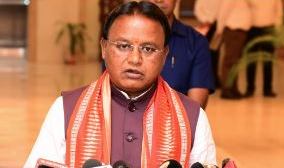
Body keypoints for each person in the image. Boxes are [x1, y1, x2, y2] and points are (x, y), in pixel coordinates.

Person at [24, 1, 216, 168]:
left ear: (164, 55)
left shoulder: (192, 116)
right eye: (124, 46)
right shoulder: (66, 109)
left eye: (148, 49)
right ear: (104, 48)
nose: (134, 59)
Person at [137, 0, 215, 109]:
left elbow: (195, 110)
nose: (159, 0)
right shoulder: (121, 39)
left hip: (176, 123)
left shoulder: (196, 42)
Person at [244, 0, 283, 97]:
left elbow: (279, 12)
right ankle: (250, 88)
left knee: (268, 60)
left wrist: (278, 30)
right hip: (252, 28)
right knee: (251, 60)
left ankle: (268, 88)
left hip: (269, 29)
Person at [216, 0, 251, 99]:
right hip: (233, 31)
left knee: (236, 62)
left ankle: (233, 88)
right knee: (229, 61)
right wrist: (219, 29)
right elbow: (223, 12)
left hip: (241, 32)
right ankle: (226, 90)